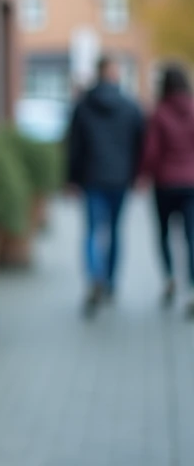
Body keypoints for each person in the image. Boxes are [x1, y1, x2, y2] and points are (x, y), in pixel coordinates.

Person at [66, 56, 145, 311]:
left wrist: (71, 178)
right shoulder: (131, 105)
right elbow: (140, 145)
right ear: (115, 74)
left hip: (91, 177)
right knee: (115, 232)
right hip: (120, 178)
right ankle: (110, 283)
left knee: (91, 231)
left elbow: (73, 145)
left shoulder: (83, 105)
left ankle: (94, 277)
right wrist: (137, 175)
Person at [140, 65, 194, 315]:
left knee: (164, 234)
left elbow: (151, 152)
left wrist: (144, 174)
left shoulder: (158, 113)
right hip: (191, 184)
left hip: (164, 184)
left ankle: (170, 278)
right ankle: (191, 288)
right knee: (190, 237)